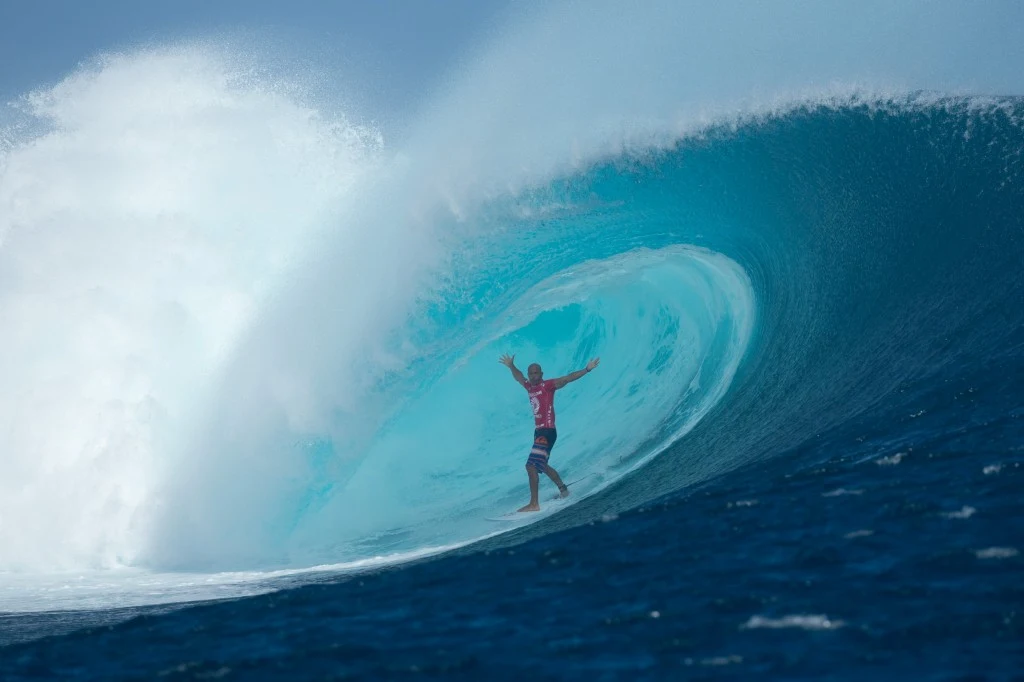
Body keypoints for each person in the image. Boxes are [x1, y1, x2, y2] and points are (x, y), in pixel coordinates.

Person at [499, 353, 600, 512]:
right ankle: (563, 490)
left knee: (531, 466)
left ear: (541, 374)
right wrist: (511, 365)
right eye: (530, 373)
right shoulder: (528, 386)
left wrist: (587, 369)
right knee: (542, 465)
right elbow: (518, 377)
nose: (533, 376)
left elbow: (567, 378)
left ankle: (534, 504)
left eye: (536, 373)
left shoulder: (547, 386)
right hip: (539, 432)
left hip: (547, 431)